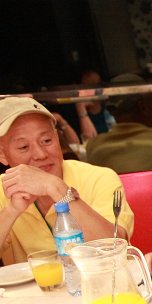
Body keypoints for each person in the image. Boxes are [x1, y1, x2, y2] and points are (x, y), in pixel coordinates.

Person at [0, 97, 134, 265]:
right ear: (2, 154)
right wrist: (12, 210)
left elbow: (114, 249)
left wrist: (57, 189)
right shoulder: (3, 190)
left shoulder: (99, 177)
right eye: (23, 147)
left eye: (47, 141)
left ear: (57, 138)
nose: (40, 154)